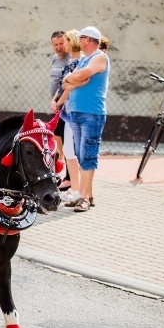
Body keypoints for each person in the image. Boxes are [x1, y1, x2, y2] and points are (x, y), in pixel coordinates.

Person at [60, 26, 109, 212]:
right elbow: (65, 82)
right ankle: (86, 195)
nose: (78, 41)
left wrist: (74, 79)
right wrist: (74, 80)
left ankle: (84, 198)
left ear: (88, 40)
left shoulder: (99, 57)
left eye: (80, 38)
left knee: (88, 155)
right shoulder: (83, 61)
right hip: (76, 113)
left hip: (91, 113)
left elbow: (77, 77)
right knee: (81, 155)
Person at [50, 30, 82, 200]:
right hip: (64, 109)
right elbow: (61, 85)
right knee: (66, 148)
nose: (61, 45)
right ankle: (73, 187)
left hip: (71, 109)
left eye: (64, 41)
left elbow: (69, 86)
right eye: (56, 44)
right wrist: (54, 100)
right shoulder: (63, 60)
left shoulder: (78, 62)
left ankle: (77, 188)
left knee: (73, 151)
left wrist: (60, 101)